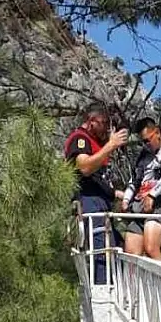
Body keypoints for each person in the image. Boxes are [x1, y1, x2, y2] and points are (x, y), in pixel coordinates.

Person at [64, 103, 129, 284]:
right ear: (92, 121)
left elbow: (97, 180)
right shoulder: (80, 139)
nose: (106, 128)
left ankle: (117, 287)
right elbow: (84, 167)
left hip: (100, 203)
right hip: (89, 202)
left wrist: (118, 194)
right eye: (104, 123)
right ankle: (102, 294)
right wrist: (111, 145)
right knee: (101, 251)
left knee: (117, 247)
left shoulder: (95, 144)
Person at [119, 117, 161, 261]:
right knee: (130, 254)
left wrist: (153, 194)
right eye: (142, 142)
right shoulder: (144, 156)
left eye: (148, 140)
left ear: (157, 132)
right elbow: (135, 179)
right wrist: (126, 199)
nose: (146, 145)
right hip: (138, 206)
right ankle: (132, 283)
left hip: (159, 204)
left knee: (151, 248)